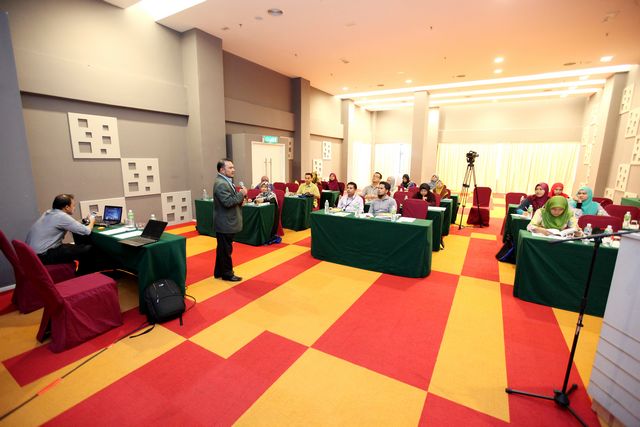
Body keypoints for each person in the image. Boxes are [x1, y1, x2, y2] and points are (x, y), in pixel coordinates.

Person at [25, 194, 95, 273]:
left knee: (74, 247)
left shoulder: (49, 213)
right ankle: (85, 275)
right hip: (44, 255)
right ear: (67, 207)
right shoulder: (61, 217)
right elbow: (87, 231)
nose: (74, 208)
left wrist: (83, 220)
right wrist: (92, 220)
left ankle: (80, 272)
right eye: (73, 205)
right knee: (88, 249)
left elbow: (69, 224)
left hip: (33, 254)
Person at [213, 159, 247, 282]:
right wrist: (241, 194)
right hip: (225, 223)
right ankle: (227, 274)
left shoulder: (225, 181)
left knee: (223, 249)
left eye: (233, 167)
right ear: (222, 170)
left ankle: (219, 271)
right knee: (226, 250)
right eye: (230, 168)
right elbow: (227, 202)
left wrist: (240, 200)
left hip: (226, 221)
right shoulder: (221, 183)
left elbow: (230, 199)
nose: (233, 170)